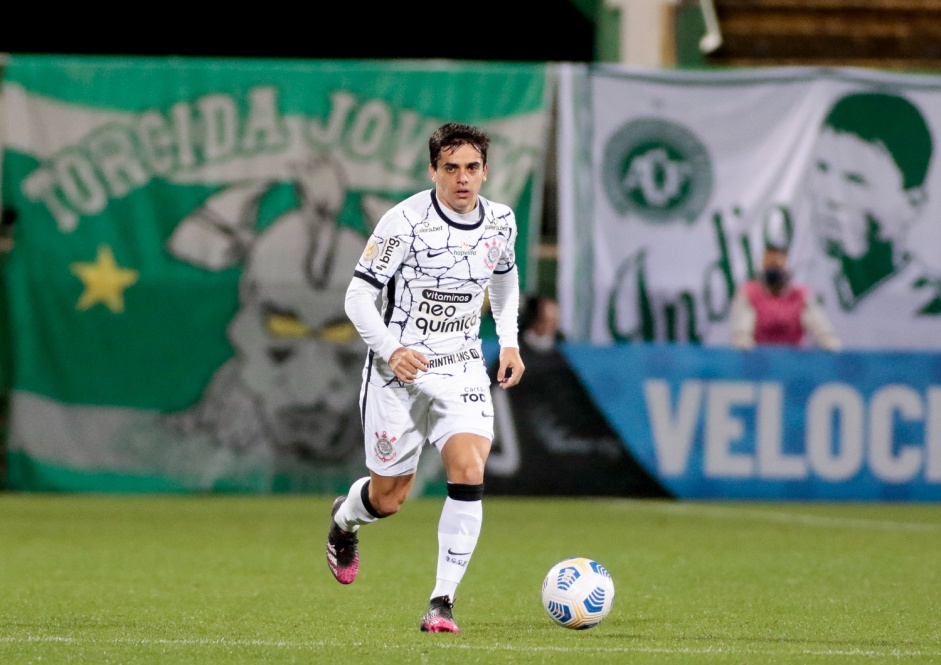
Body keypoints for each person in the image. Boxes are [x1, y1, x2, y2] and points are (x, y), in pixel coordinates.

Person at [326, 122, 525, 633]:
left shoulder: (501, 222)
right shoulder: (403, 223)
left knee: (468, 469)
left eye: (473, 168)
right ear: (433, 170)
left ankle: (442, 602)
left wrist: (508, 341)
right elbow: (356, 298)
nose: (463, 179)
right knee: (389, 499)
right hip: (399, 374)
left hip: (460, 368)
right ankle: (345, 519)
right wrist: (392, 351)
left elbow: (503, 279)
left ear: (486, 171)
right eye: (452, 168)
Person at [731, 240, 841, 351]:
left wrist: (829, 343)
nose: (774, 269)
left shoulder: (801, 295)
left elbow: (820, 327)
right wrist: (743, 344)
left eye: (778, 264)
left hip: (793, 360)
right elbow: (742, 331)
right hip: (759, 360)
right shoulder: (748, 293)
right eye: (769, 264)